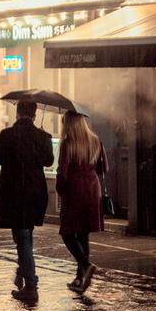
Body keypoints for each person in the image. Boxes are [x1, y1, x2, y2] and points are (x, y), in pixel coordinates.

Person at [0, 100, 54, 301]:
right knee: (25, 234)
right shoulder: (42, 136)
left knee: (21, 237)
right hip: (36, 193)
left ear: (18, 113)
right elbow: (49, 161)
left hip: (13, 194)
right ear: (34, 114)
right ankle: (24, 273)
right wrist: (44, 138)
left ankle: (31, 286)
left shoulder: (6, 135)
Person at [56, 111, 109, 294]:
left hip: (74, 191)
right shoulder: (95, 140)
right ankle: (80, 280)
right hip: (92, 190)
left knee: (68, 233)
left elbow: (62, 173)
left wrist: (60, 189)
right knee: (83, 234)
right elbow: (104, 168)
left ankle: (85, 266)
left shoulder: (67, 144)